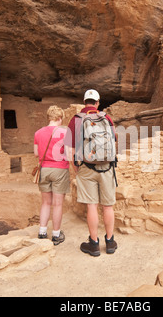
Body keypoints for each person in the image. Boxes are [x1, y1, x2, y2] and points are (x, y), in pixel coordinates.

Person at [64, 89, 118, 256]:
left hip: (86, 167)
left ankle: (94, 244)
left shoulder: (76, 119)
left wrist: (76, 166)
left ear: (84, 101)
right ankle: (110, 242)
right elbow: (114, 139)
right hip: (107, 167)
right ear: (97, 103)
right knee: (108, 206)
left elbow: (69, 148)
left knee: (91, 206)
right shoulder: (106, 118)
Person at [34, 105, 70, 245]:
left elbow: (36, 153)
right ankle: (56, 234)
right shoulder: (64, 132)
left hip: (44, 169)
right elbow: (68, 152)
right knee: (58, 204)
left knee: (46, 202)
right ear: (59, 118)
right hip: (59, 169)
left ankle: (42, 232)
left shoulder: (38, 133)